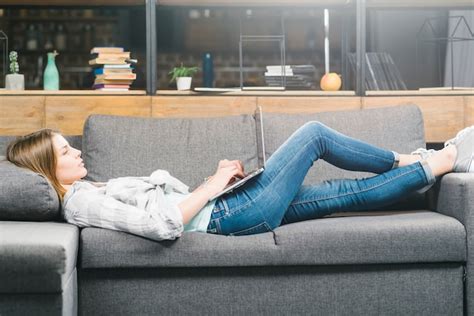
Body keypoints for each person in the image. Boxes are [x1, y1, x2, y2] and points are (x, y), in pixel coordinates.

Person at [5, 122, 473, 241]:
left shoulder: (86, 192)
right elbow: (164, 225)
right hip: (228, 215)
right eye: (66, 151)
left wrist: (218, 184)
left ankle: (436, 165)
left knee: (337, 195)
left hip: (228, 207)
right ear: (47, 167)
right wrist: (213, 184)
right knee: (314, 137)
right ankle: (430, 157)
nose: (78, 151)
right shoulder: (81, 204)